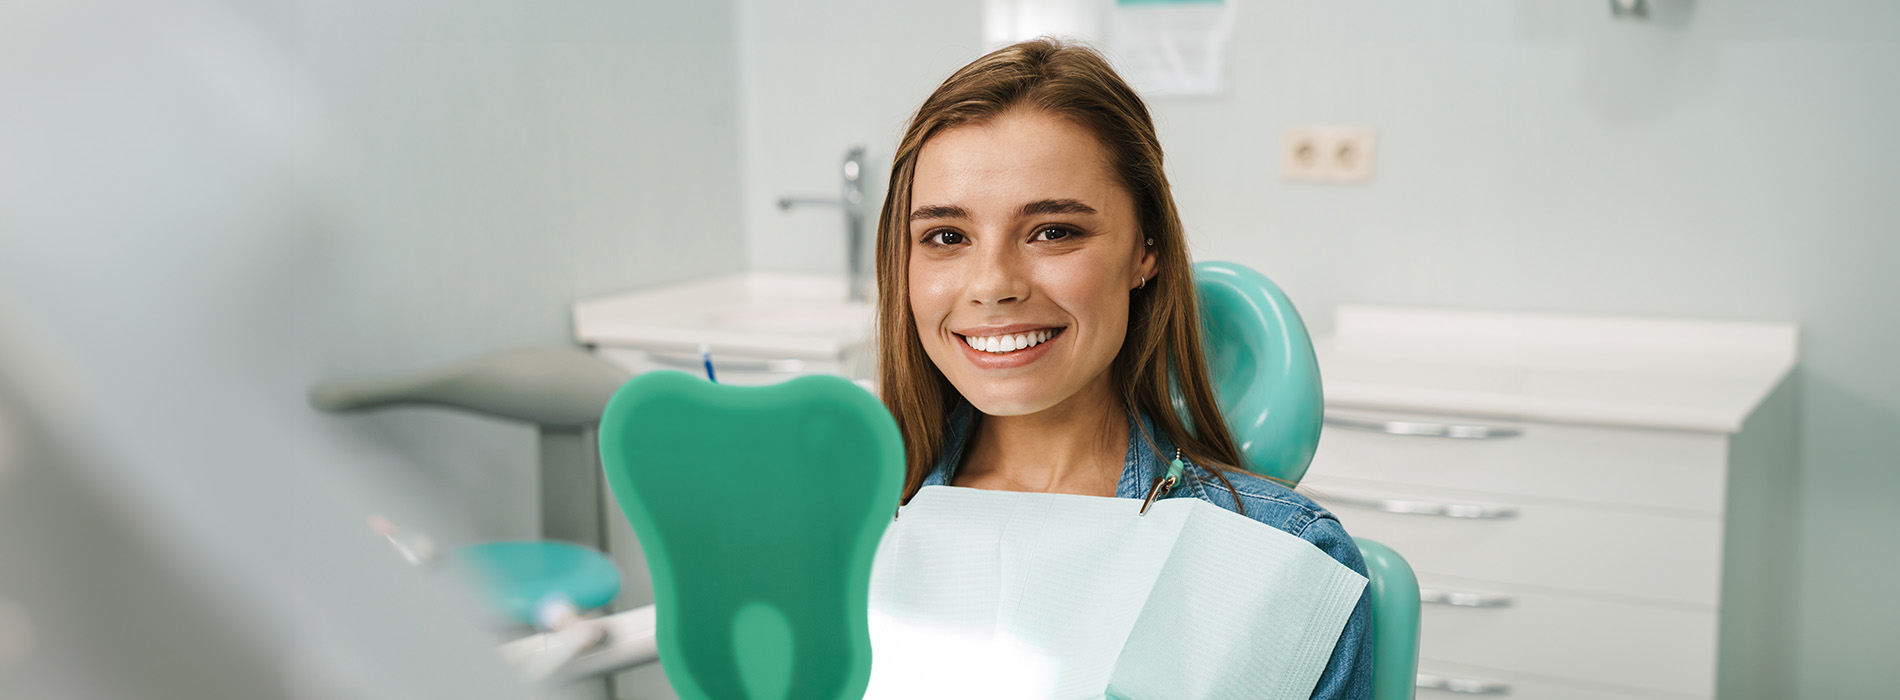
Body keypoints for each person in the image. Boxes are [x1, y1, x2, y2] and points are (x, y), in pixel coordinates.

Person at [871, 38, 1373, 699]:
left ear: (1147, 250)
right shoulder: (846, 527)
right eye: (947, 237)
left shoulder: (1279, 560)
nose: (992, 285)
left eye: (1053, 231)